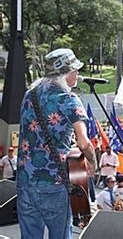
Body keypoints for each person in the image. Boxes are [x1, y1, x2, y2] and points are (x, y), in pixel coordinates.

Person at [16, 48, 97, 239]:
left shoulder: (30, 95)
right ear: (66, 74)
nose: (77, 74)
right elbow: (84, 143)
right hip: (54, 182)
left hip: (25, 182)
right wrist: (93, 162)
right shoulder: (69, 100)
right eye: (75, 70)